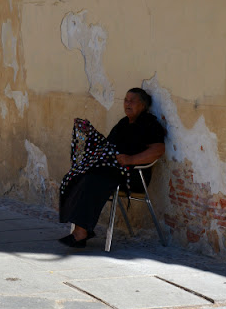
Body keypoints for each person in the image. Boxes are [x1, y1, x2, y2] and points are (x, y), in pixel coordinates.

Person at [59, 88, 165, 248]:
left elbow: (158, 150)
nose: (127, 104)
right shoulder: (123, 123)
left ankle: (81, 233)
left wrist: (130, 159)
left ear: (142, 105)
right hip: (112, 172)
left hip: (133, 176)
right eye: (125, 100)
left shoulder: (150, 124)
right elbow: (107, 147)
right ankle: (81, 228)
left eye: (132, 101)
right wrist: (89, 136)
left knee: (93, 179)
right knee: (78, 175)